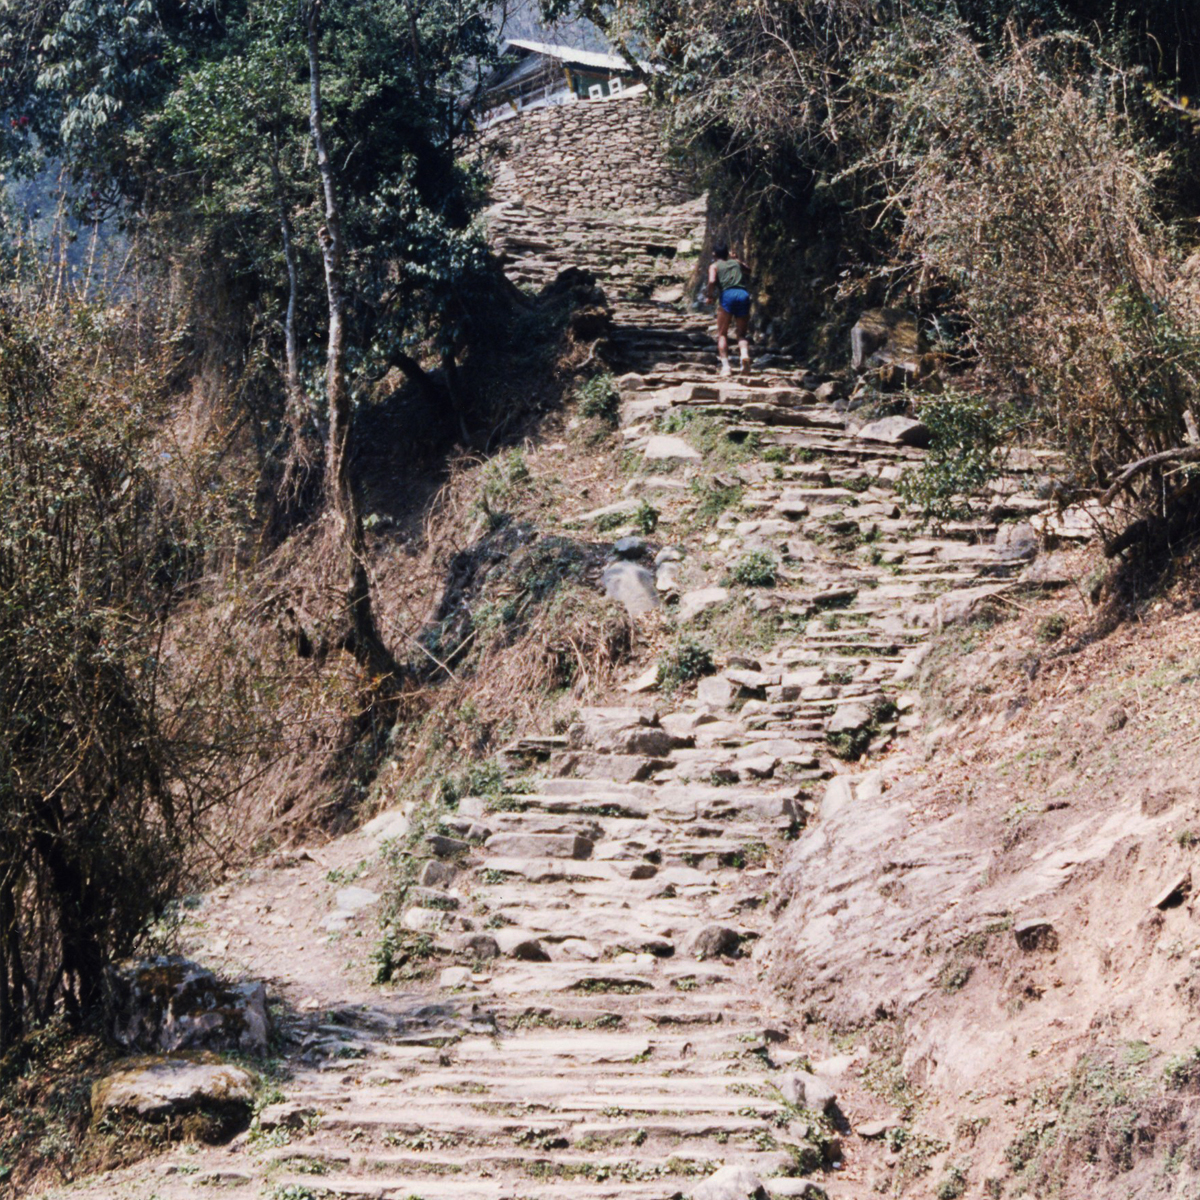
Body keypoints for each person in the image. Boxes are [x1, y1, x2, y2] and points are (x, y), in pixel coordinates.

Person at [706, 241, 751, 377]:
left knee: (722, 333)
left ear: (714, 254)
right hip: (743, 294)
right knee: (741, 334)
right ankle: (744, 354)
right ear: (727, 253)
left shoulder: (714, 266)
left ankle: (726, 367)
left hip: (727, 295)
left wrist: (710, 295)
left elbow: (712, 281)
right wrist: (736, 259)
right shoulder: (736, 263)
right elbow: (748, 270)